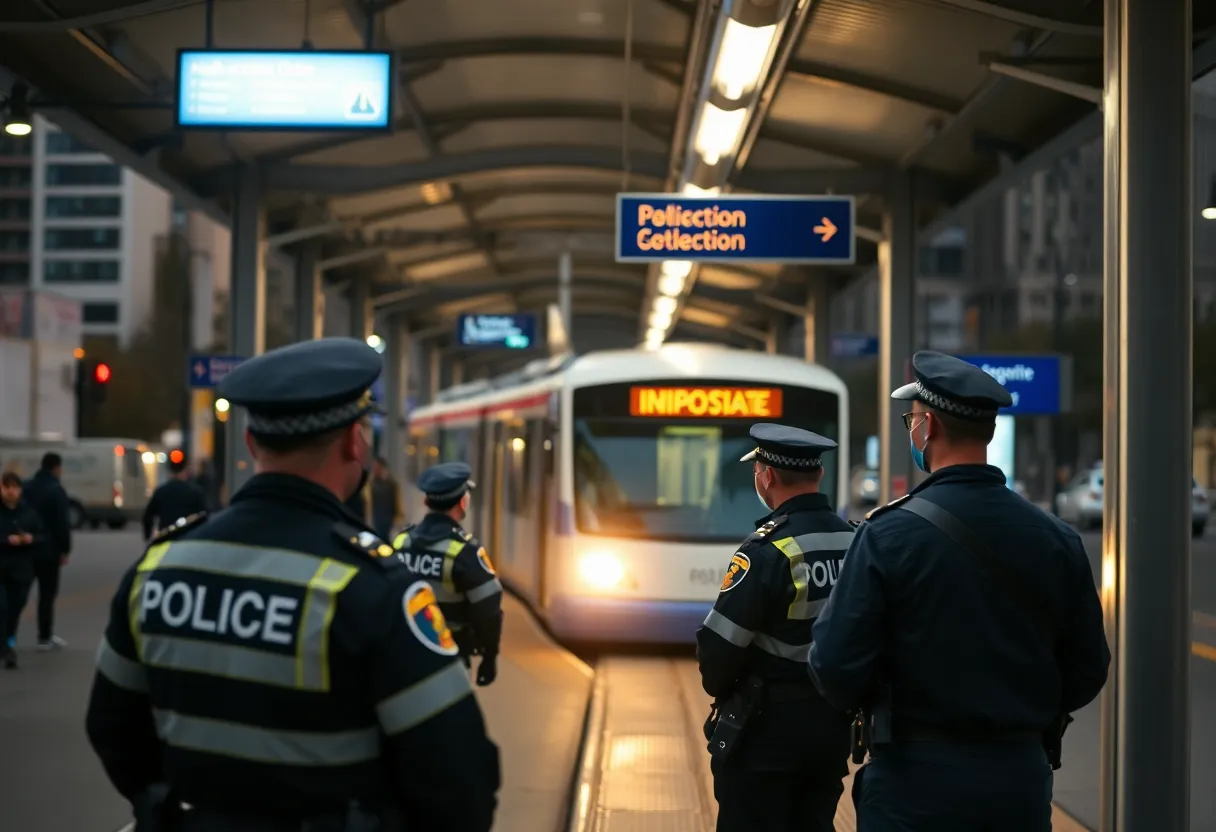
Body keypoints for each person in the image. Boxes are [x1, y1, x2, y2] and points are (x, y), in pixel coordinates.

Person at [85, 337, 500, 832]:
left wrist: (179, 809)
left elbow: (110, 726)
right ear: (355, 441)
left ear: (252, 444)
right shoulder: (376, 591)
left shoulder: (158, 567)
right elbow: (461, 785)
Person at [808, 351, 1110, 832]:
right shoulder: (1057, 539)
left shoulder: (886, 535)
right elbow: (1089, 669)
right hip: (1019, 783)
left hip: (913, 783)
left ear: (927, 428)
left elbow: (834, 665)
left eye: (912, 420)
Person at [696, 423, 856, 832]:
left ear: (765, 476)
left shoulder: (766, 550)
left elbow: (717, 656)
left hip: (765, 735)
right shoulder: (856, 541)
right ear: (818, 474)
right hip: (830, 729)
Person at [392, 462, 503, 687]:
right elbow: (489, 612)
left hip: (404, 656)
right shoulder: (465, 552)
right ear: (463, 503)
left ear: (426, 502)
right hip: (450, 658)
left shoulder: (401, 542)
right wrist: (489, 656)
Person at [21, 452, 71, 651]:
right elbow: (62, 524)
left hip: (25, 548)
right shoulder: (56, 490)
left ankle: (7, 635)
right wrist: (65, 549)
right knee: (47, 595)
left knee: (19, 594)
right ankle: (44, 636)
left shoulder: (26, 487)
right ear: (56, 468)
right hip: (49, 551)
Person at [0, 471, 42, 669]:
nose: (10, 492)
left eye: (14, 487)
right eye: (6, 487)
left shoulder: (28, 513)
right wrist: (6, 540)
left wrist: (30, 539)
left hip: (22, 569)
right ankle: (6, 650)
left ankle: (9, 639)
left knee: (16, 607)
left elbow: (43, 535)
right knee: (2, 607)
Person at [142, 454, 208, 541]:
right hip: (188, 541)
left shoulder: (161, 491)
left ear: (169, 469)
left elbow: (147, 517)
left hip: (165, 541)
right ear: (186, 469)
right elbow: (204, 517)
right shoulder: (195, 492)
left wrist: (148, 537)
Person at [370, 457, 404, 539]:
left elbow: (397, 503)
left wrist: (398, 518)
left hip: (388, 522)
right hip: (374, 520)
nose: (374, 470)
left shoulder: (391, 484)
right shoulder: (371, 484)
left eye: (376, 467)